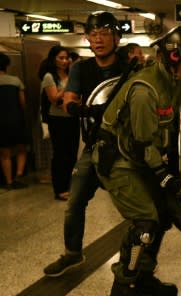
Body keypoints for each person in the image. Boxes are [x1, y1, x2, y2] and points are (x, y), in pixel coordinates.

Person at [92, 24, 181, 296]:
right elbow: (143, 142)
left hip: (142, 158)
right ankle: (123, 286)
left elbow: (171, 130)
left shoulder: (174, 83)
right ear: (173, 58)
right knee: (145, 223)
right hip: (120, 162)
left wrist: (174, 172)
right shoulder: (145, 89)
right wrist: (162, 175)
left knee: (162, 219)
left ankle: (143, 277)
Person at [43, 11, 128, 276]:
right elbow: (69, 99)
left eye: (104, 33)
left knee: (137, 208)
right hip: (93, 147)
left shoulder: (130, 67)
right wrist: (77, 108)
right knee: (75, 201)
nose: (98, 39)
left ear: (116, 37)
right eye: (93, 34)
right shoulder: (81, 68)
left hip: (127, 149)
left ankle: (134, 261)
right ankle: (72, 253)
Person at [40, 45, 80, 201]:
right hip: (57, 119)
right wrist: (69, 85)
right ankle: (60, 188)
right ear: (53, 59)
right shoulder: (49, 77)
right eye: (61, 58)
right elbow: (54, 98)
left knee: (71, 153)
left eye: (66, 58)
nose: (64, 61)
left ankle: (69, 185)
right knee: (60, 155)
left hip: (72, 117)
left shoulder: (71, 74)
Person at [0, 52, 29, 190]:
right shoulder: (15, 81)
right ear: (7, 65)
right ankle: (18, 176)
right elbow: (22, 102)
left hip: (0, 122)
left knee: (5, 153)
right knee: (21, 149)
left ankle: (9, 181)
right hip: (15, 119)